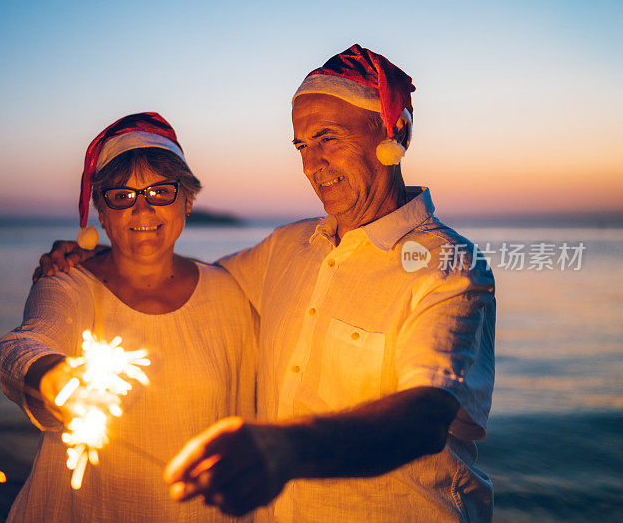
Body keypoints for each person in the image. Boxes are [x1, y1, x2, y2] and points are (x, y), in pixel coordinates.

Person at [36, 44, 496, 522]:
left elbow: (425, 416)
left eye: (328, 138)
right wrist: (106, 255)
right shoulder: (287, 247)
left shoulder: (448, 265)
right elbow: (188, 280)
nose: (312, 164)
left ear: (393, 133)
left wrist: (283, 448)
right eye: (301, 145)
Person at [0, 112, 257, 522]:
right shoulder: (67, 285)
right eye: (122, 196)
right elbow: (23, 346)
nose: (142, 211)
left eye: (160, 192)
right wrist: (54, 377)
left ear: (187, 201)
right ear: (103, 211)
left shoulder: (229, 293)